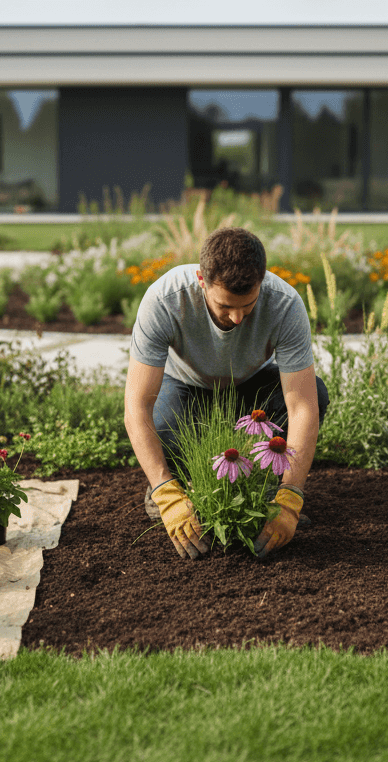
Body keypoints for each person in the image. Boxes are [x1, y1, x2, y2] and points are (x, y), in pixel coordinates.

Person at [124, 227, 329, 560]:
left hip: (251, 389)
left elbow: (302, 406)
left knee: (315, 394)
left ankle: (266, 491)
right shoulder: (165, 300)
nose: (237, 317)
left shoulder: (284, 304)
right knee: (161, 427)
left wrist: (291, 498)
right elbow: (137, 403)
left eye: (247, 306)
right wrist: (166, 494)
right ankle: (174, 488)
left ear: (261, 282)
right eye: (225, 306)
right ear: (202, 280)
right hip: (186, 388)